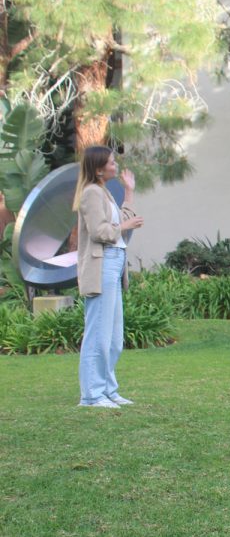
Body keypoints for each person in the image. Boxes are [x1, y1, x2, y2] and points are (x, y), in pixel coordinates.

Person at [74, 146, 144, 408]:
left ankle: (108, 389)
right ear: (99, 168)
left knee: (114, 335)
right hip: (101, 264)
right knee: (98, 334)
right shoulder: (91, 193)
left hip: (114, 263)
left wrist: (129, 191)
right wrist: (124, 226)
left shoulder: (103, 192)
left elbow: (121, 222)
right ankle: (91, 395)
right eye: (112, 163)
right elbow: (99, 231)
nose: (116, 166)